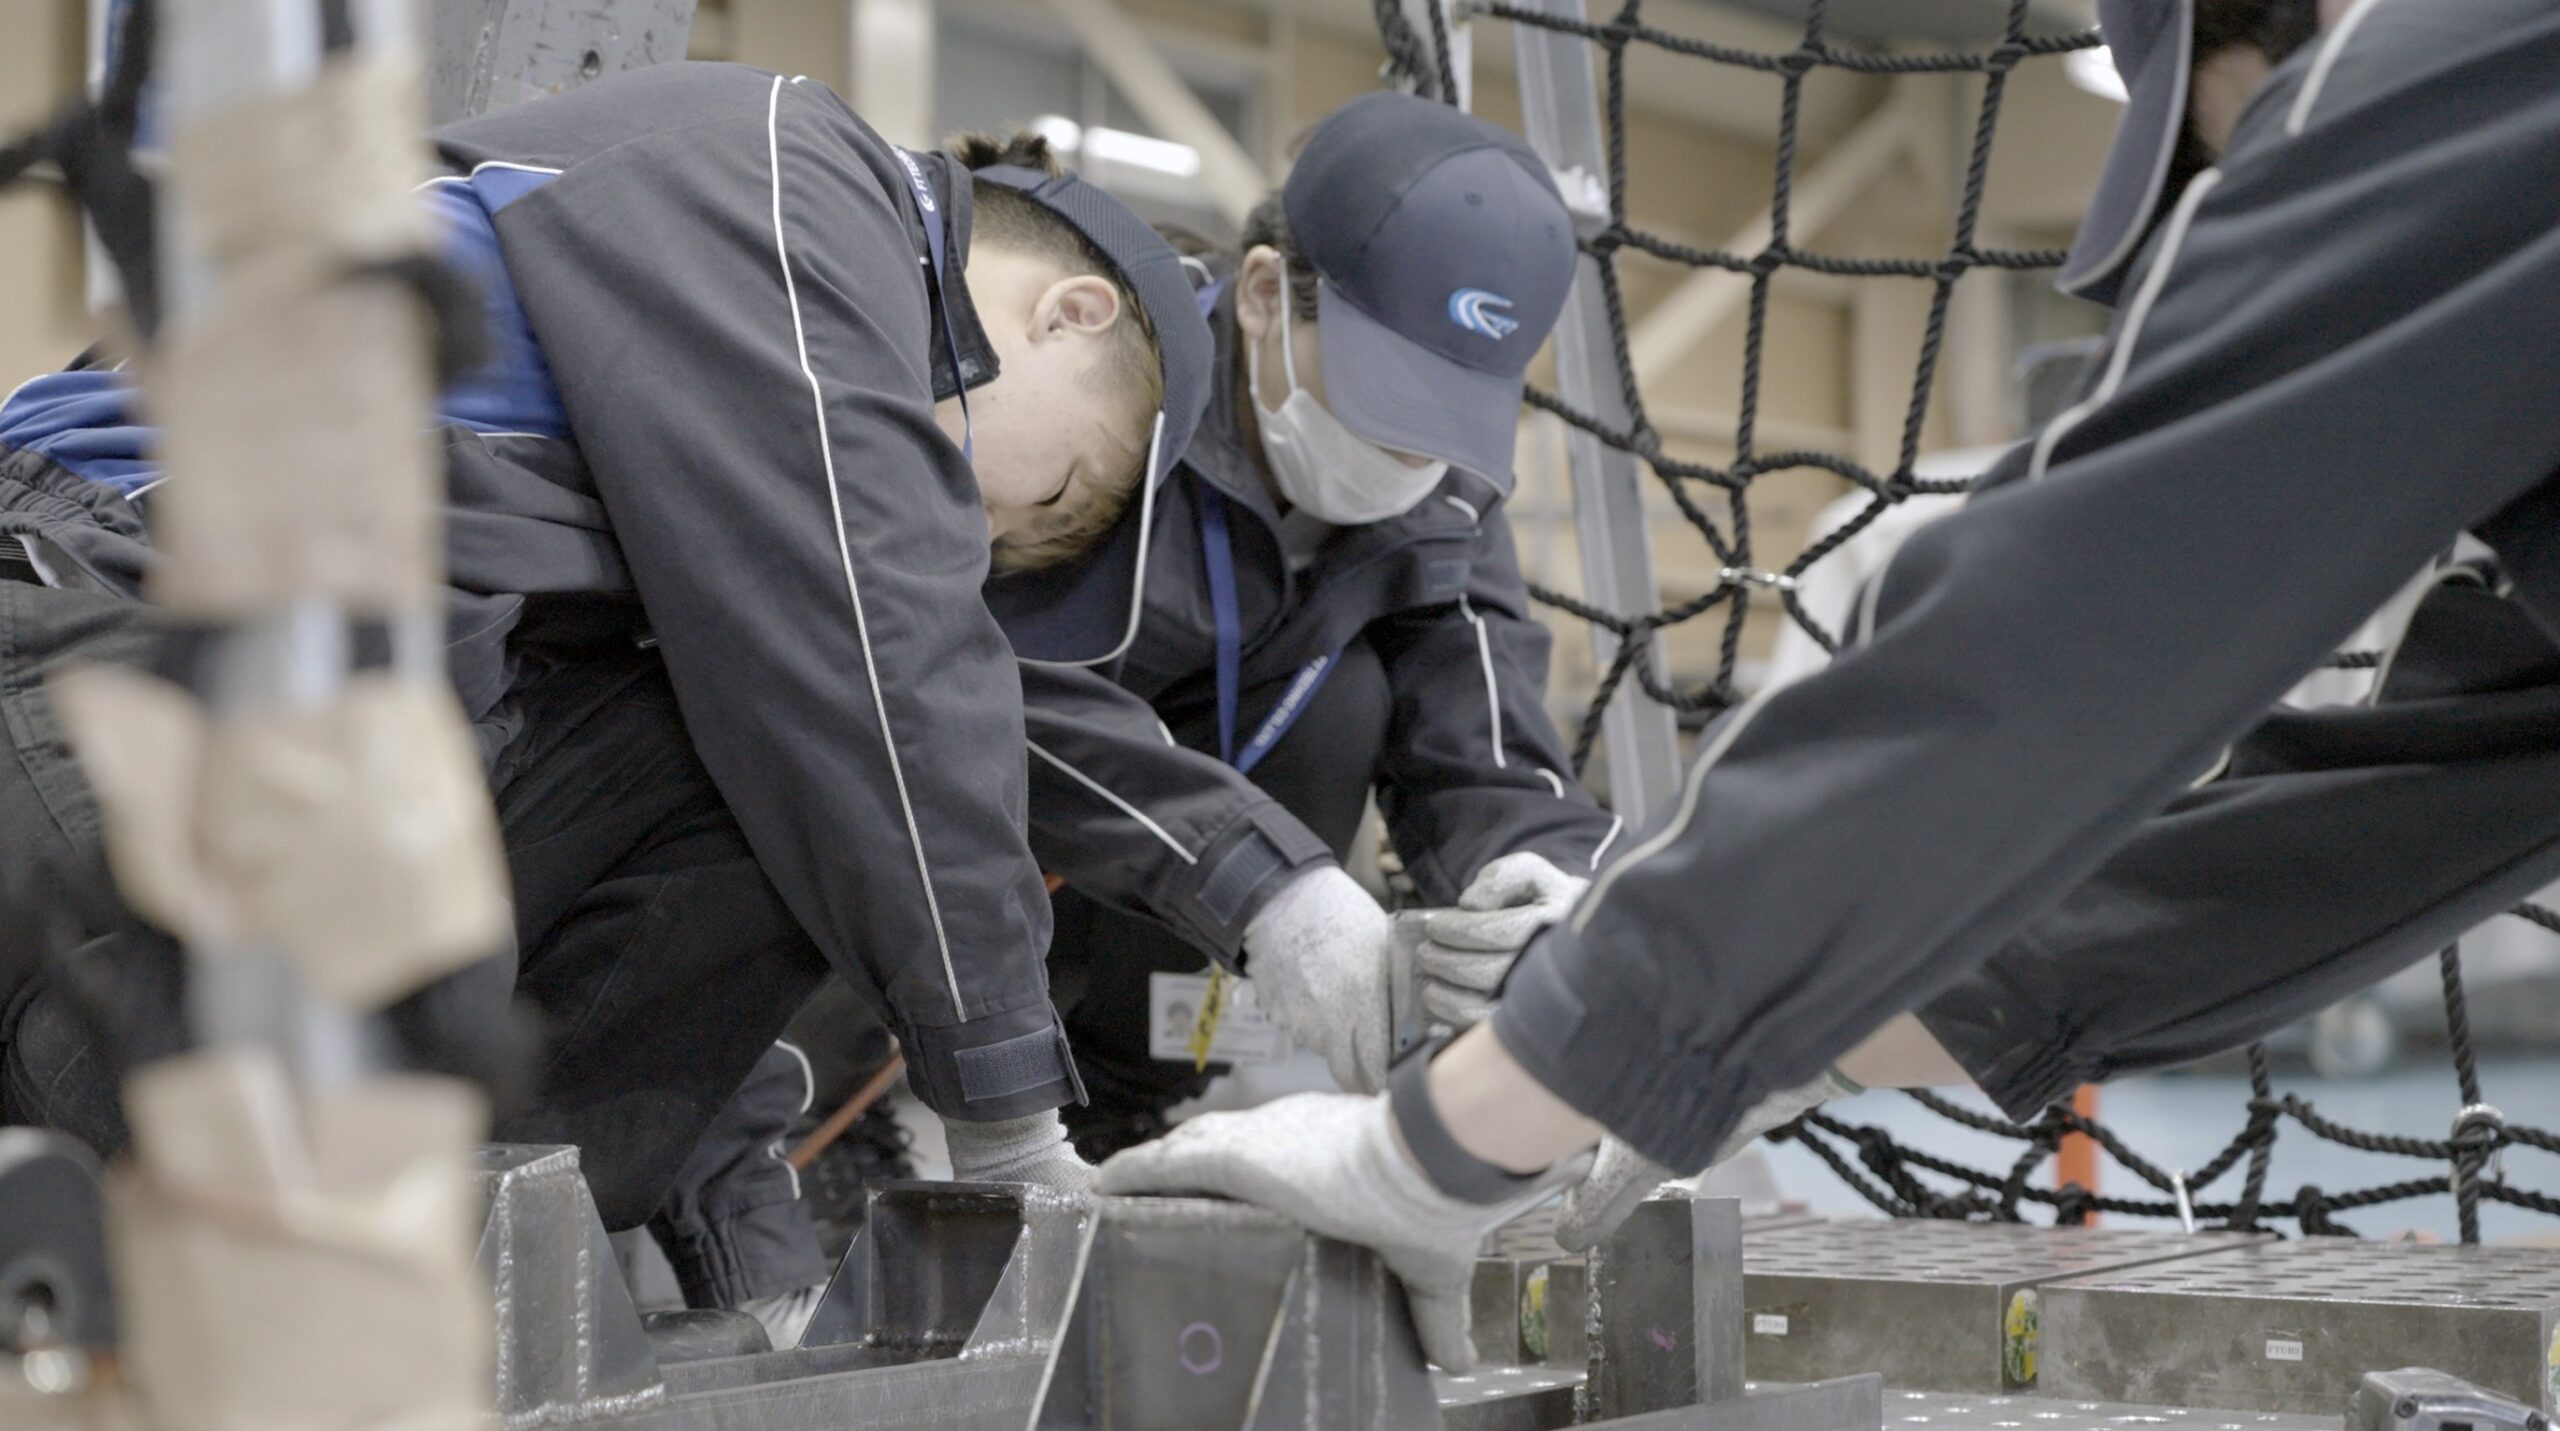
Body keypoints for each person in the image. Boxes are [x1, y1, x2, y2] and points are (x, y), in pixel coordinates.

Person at [1098, 0, 2560, 1372]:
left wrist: (1447, 1134)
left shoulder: (2436, 68)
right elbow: (2349, 832)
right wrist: (1768, 1048)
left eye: (2226, 153)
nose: (2259, 187)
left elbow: (2025, 652)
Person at [0, 60, 1210, 1332]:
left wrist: (756, 1282)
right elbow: (889, 681)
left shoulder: (695, 415)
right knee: (803, 752)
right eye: (1057, 495)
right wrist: (1012, 1121)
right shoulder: (792, 172)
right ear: (1069, 315)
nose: (990, 536)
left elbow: (726, 847)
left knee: (751, 768)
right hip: (93, 633)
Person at [1007, 91, 1621, 1151]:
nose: (1410, 455)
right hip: (998, 814)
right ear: (1260, 297)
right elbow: (961, 679)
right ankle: (829, 1095)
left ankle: (1126, 1099)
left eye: (1449, 411)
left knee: (1339, 702)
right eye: (1390, 396)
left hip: (1176, 890)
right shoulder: (1098, 388)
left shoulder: (1445, 494)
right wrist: (1264, 884)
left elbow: (1480, 745)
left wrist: (1559, 895)